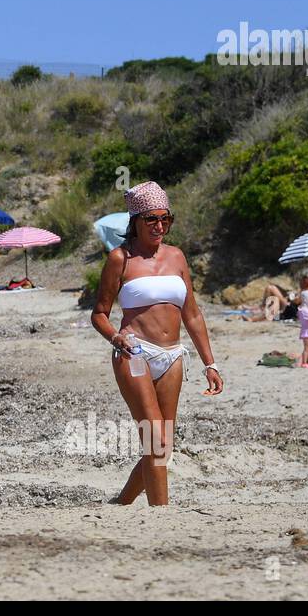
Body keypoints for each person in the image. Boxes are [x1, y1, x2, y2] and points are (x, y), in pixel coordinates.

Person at [91, 181, 223, 506]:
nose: (160, 226)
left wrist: (210, 364)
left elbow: (192, 315)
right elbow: (99, 314)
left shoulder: (177, 257)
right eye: (151, 219)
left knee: (163, 445)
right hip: (134, 353)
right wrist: (115, 336)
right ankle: (161, 516)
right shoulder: (119, 259)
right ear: (135, 220)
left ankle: (121, 505)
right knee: (155, 440)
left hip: (173, 356)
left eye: (166, 219)